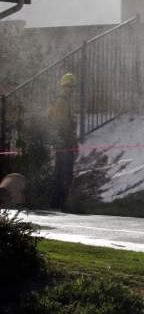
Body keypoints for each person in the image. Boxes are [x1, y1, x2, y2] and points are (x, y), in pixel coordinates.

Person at [46, 72, 78, 210]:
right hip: (65, 144)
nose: (71, 89)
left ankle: (56, 203)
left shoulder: (61, 101)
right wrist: (71, 143)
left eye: (72, 87)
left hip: (62, 143)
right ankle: (60, 203)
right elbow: (63, 125)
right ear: (64, 87)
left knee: (60, 173)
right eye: (69, 87)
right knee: (65, 174)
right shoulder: (62, 102)